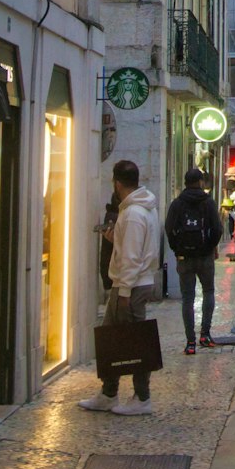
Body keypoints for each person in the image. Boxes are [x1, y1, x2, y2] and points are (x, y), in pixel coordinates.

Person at [79, 160, 160, 416]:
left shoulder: (134, 213)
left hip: (131, 286)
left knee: (135, 341)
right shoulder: (141, 208)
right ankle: (109, 393)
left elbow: (133, 257)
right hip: (131, 283)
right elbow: (133, 246)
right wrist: (115, 237)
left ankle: (142, 397)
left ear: (117, 183)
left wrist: (124, 291)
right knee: (111, 338)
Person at [165, 168, 223, 355]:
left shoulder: (177, 204)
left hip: (185, 257)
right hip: (205, 257)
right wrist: (210, 247)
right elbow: (218, 229)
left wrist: (177, 250)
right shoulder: (208, 203)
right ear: (200, 182)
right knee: (208, 291)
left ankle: (190, 342)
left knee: (187, 298)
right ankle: (205, 334)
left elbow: (169, 229)